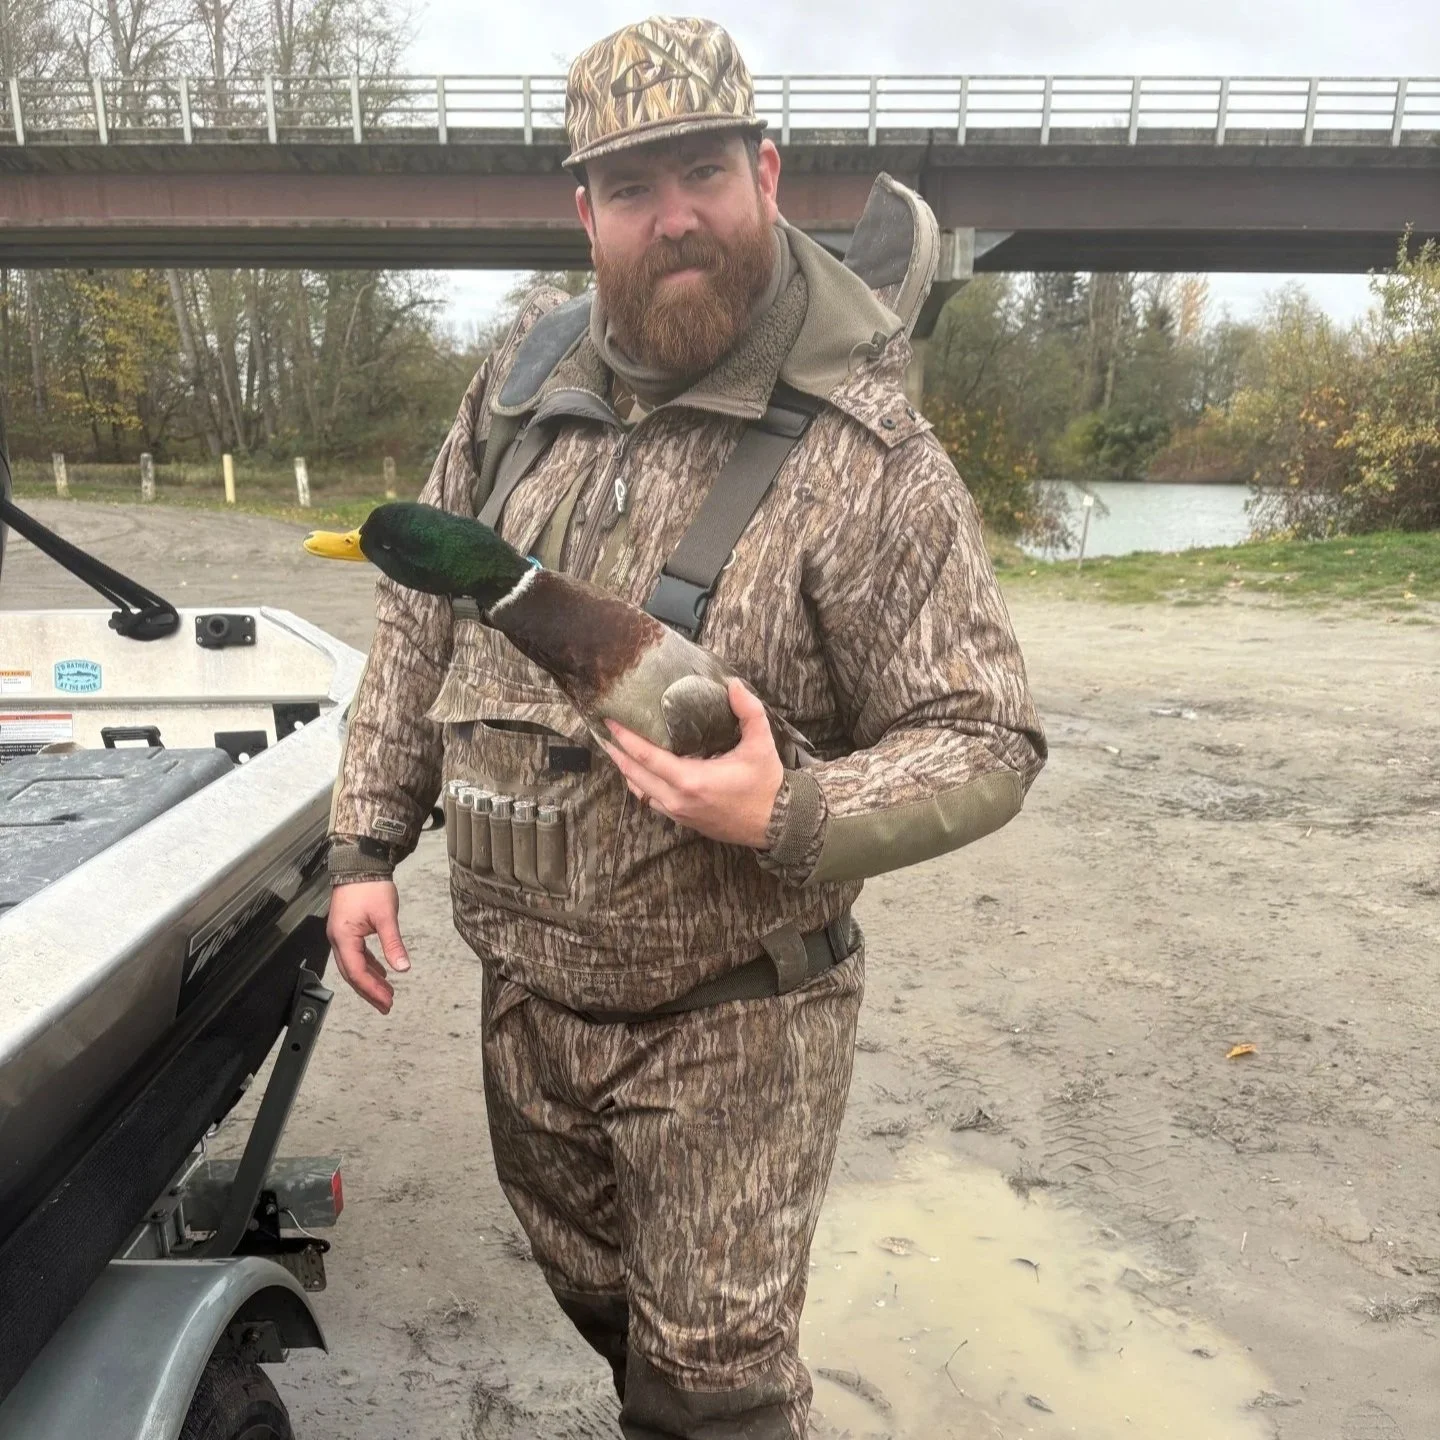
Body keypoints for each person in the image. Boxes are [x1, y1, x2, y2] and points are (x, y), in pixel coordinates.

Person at [325, 15, 1046, 1439]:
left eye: (703, 173)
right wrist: (364, 844)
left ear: (764, 173)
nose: (676, 219)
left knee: (713, 1393)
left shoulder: (867, 454)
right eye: (634, 187)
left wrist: (792, 811)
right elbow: (420, 617)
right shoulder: (518, 390)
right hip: (528, 1004)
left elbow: (986, 734)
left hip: (735, 1023)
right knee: (610, 1317)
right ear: (584, 210)